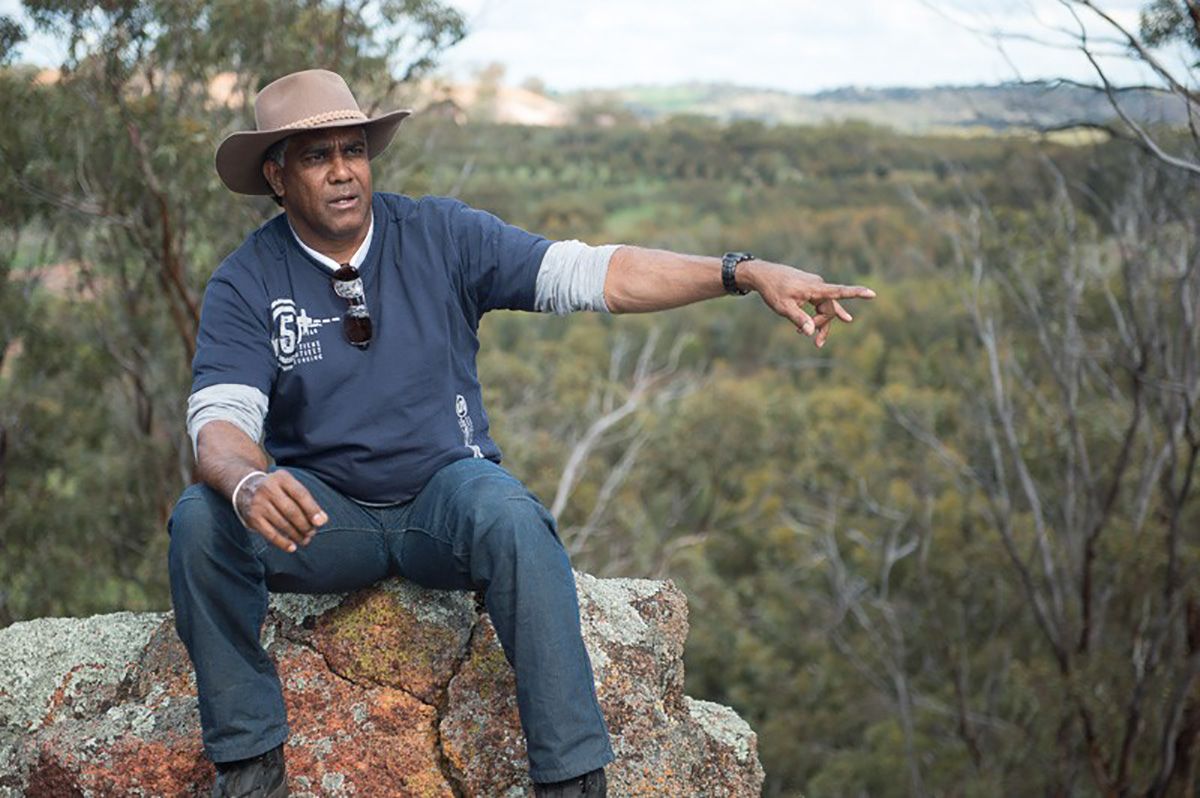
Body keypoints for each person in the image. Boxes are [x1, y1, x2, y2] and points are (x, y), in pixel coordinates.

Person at [168, 68, 876, 798]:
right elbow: (220, 421)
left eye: (355, 150)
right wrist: (250, 481)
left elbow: (601, 274)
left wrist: (743, 271)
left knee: (512, 515)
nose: (345, 172)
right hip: (325, 519)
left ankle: (570, 779)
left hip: (443, 500)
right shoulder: (248, 280)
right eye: (317, 157)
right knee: (202, 519)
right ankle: (250, 764)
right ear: (278, 177)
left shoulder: (439, 234)